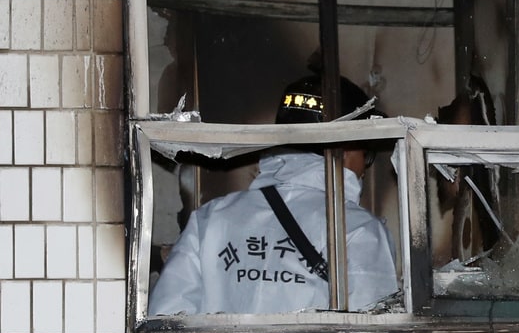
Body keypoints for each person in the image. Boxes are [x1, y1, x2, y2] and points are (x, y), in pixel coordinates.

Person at [148, 74, 400, 315]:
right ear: (347, 148)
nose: (364, 171)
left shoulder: (210, 219)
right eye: (366, 156)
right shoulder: (357, 229)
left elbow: (166, 320)